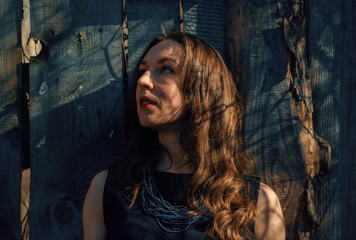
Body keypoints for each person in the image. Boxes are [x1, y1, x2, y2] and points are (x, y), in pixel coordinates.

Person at [83, 31, 285, 240]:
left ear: (202, 89)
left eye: (166, 69)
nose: (143, 80)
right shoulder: (107, 190)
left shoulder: (258, 203)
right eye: (143, 70)